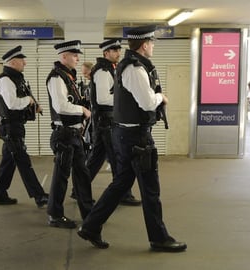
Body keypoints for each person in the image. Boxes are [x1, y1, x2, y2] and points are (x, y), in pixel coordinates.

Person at [77, 25, 187, 252]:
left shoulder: (129, 66)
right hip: (136, 138)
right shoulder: (135, 69)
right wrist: (161, 97)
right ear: (144, 44)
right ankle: (159, 238)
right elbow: (147, 102)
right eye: (152, 42)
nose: (153, 46)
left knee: (120, 184)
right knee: (150, 190)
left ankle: (90, 226)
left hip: (127, 135)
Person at [0, 45, 49, 208]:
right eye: (22, 60)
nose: (25, 63)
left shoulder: (16, 78)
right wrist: (28, 101)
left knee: (8, 163)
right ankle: (39, 196)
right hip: (10, 128)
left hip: (15, 126)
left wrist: (35, 104)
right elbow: (12, 103)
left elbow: (24, 94)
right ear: (13, 62)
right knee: (23, 162)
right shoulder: (5, 80)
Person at [86, 38, 141, 206]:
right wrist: (124, 99)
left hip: (107, 121)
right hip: (107, 122)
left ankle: (79, 189)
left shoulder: (110, 69)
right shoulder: (103, 71)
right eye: (114, 50)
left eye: (119, 50)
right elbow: (103, 99)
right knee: (118, 159)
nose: (118, 53)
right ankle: (123, 193)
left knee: (96, 159)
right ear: (106, 53)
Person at [46, 40, 94, 229]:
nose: (77, 58)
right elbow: (61, 106)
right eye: (74, 55)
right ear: (63, 56)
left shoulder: (68, 77)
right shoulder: (57, 78)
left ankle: (89, 212)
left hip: (74, 135)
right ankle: (55, 215)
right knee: (61, 177)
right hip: (64, 135)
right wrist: (82, 110)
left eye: (77, 55)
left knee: (82, 175)